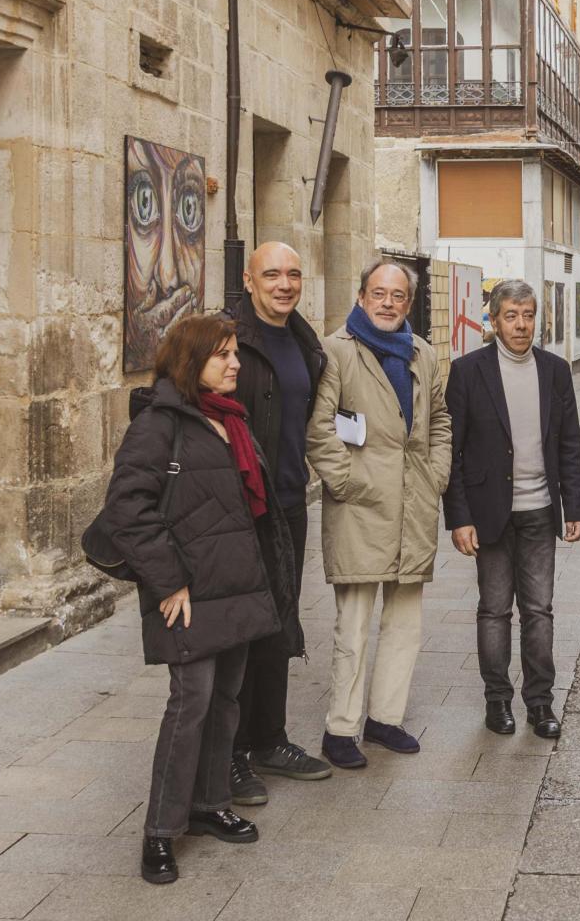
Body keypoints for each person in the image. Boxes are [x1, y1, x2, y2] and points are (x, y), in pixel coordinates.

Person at [100, 314, 295, 884]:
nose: (235, 364)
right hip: (187, 591)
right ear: (192, 363)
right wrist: (169, 582)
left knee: (225, 700)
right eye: (223, 356)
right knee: (191, 703)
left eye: (235, 354)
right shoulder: (159, 425)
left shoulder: (226, 418)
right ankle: (160, 832)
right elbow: (127, 511)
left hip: (233, 584)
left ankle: (209, 805)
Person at [307, 260, 452, 768]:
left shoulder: (422, 353)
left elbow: (440, 420)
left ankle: (385, 719)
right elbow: (319, 429)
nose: (388, 303)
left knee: (405, 623)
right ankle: (340, 730)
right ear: (362, 296)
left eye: (397, 295)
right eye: (379, 293)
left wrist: (436, 475)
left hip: (413, 504)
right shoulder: (335, 351)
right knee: (354, 625)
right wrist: (348, 481)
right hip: (360, 507)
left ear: (409, 303)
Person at [444, 279, 580, 739]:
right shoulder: (468, 372)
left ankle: (540, 704)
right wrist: (459, 517)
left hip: (540, 511)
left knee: (539, 610)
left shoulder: (555, 370)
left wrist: (574, 505)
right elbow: (454, 451)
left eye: (528, 315)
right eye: (511, 315)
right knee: (493, 610)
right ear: (494, 319)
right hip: (489, 513)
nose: (521, 324)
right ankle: (497, 700)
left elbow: (570, 442)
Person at [224, 242, 332, 805]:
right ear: (249, 279)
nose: (284, 284)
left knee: (281, 621)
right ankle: (233, 754)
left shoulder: (306, 340)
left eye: (293, 274)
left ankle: (270, 738)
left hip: (291, 502)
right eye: (272, 274)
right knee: (243, 628)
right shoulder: (229, 340)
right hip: (243, 509)